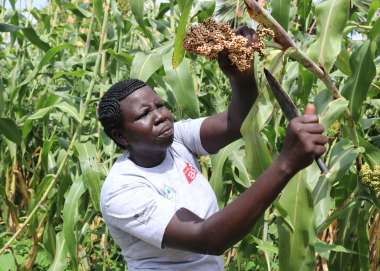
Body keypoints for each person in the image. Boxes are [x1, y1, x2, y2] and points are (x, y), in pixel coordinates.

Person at [97, 28, 328, 271]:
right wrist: (287, 163)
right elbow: (208, 238)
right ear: (121, 137)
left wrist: (241, 75)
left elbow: (235, 123)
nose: (161, 117)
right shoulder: (122, 191)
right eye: (145, 114)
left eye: (160, 105)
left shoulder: (176, 141)